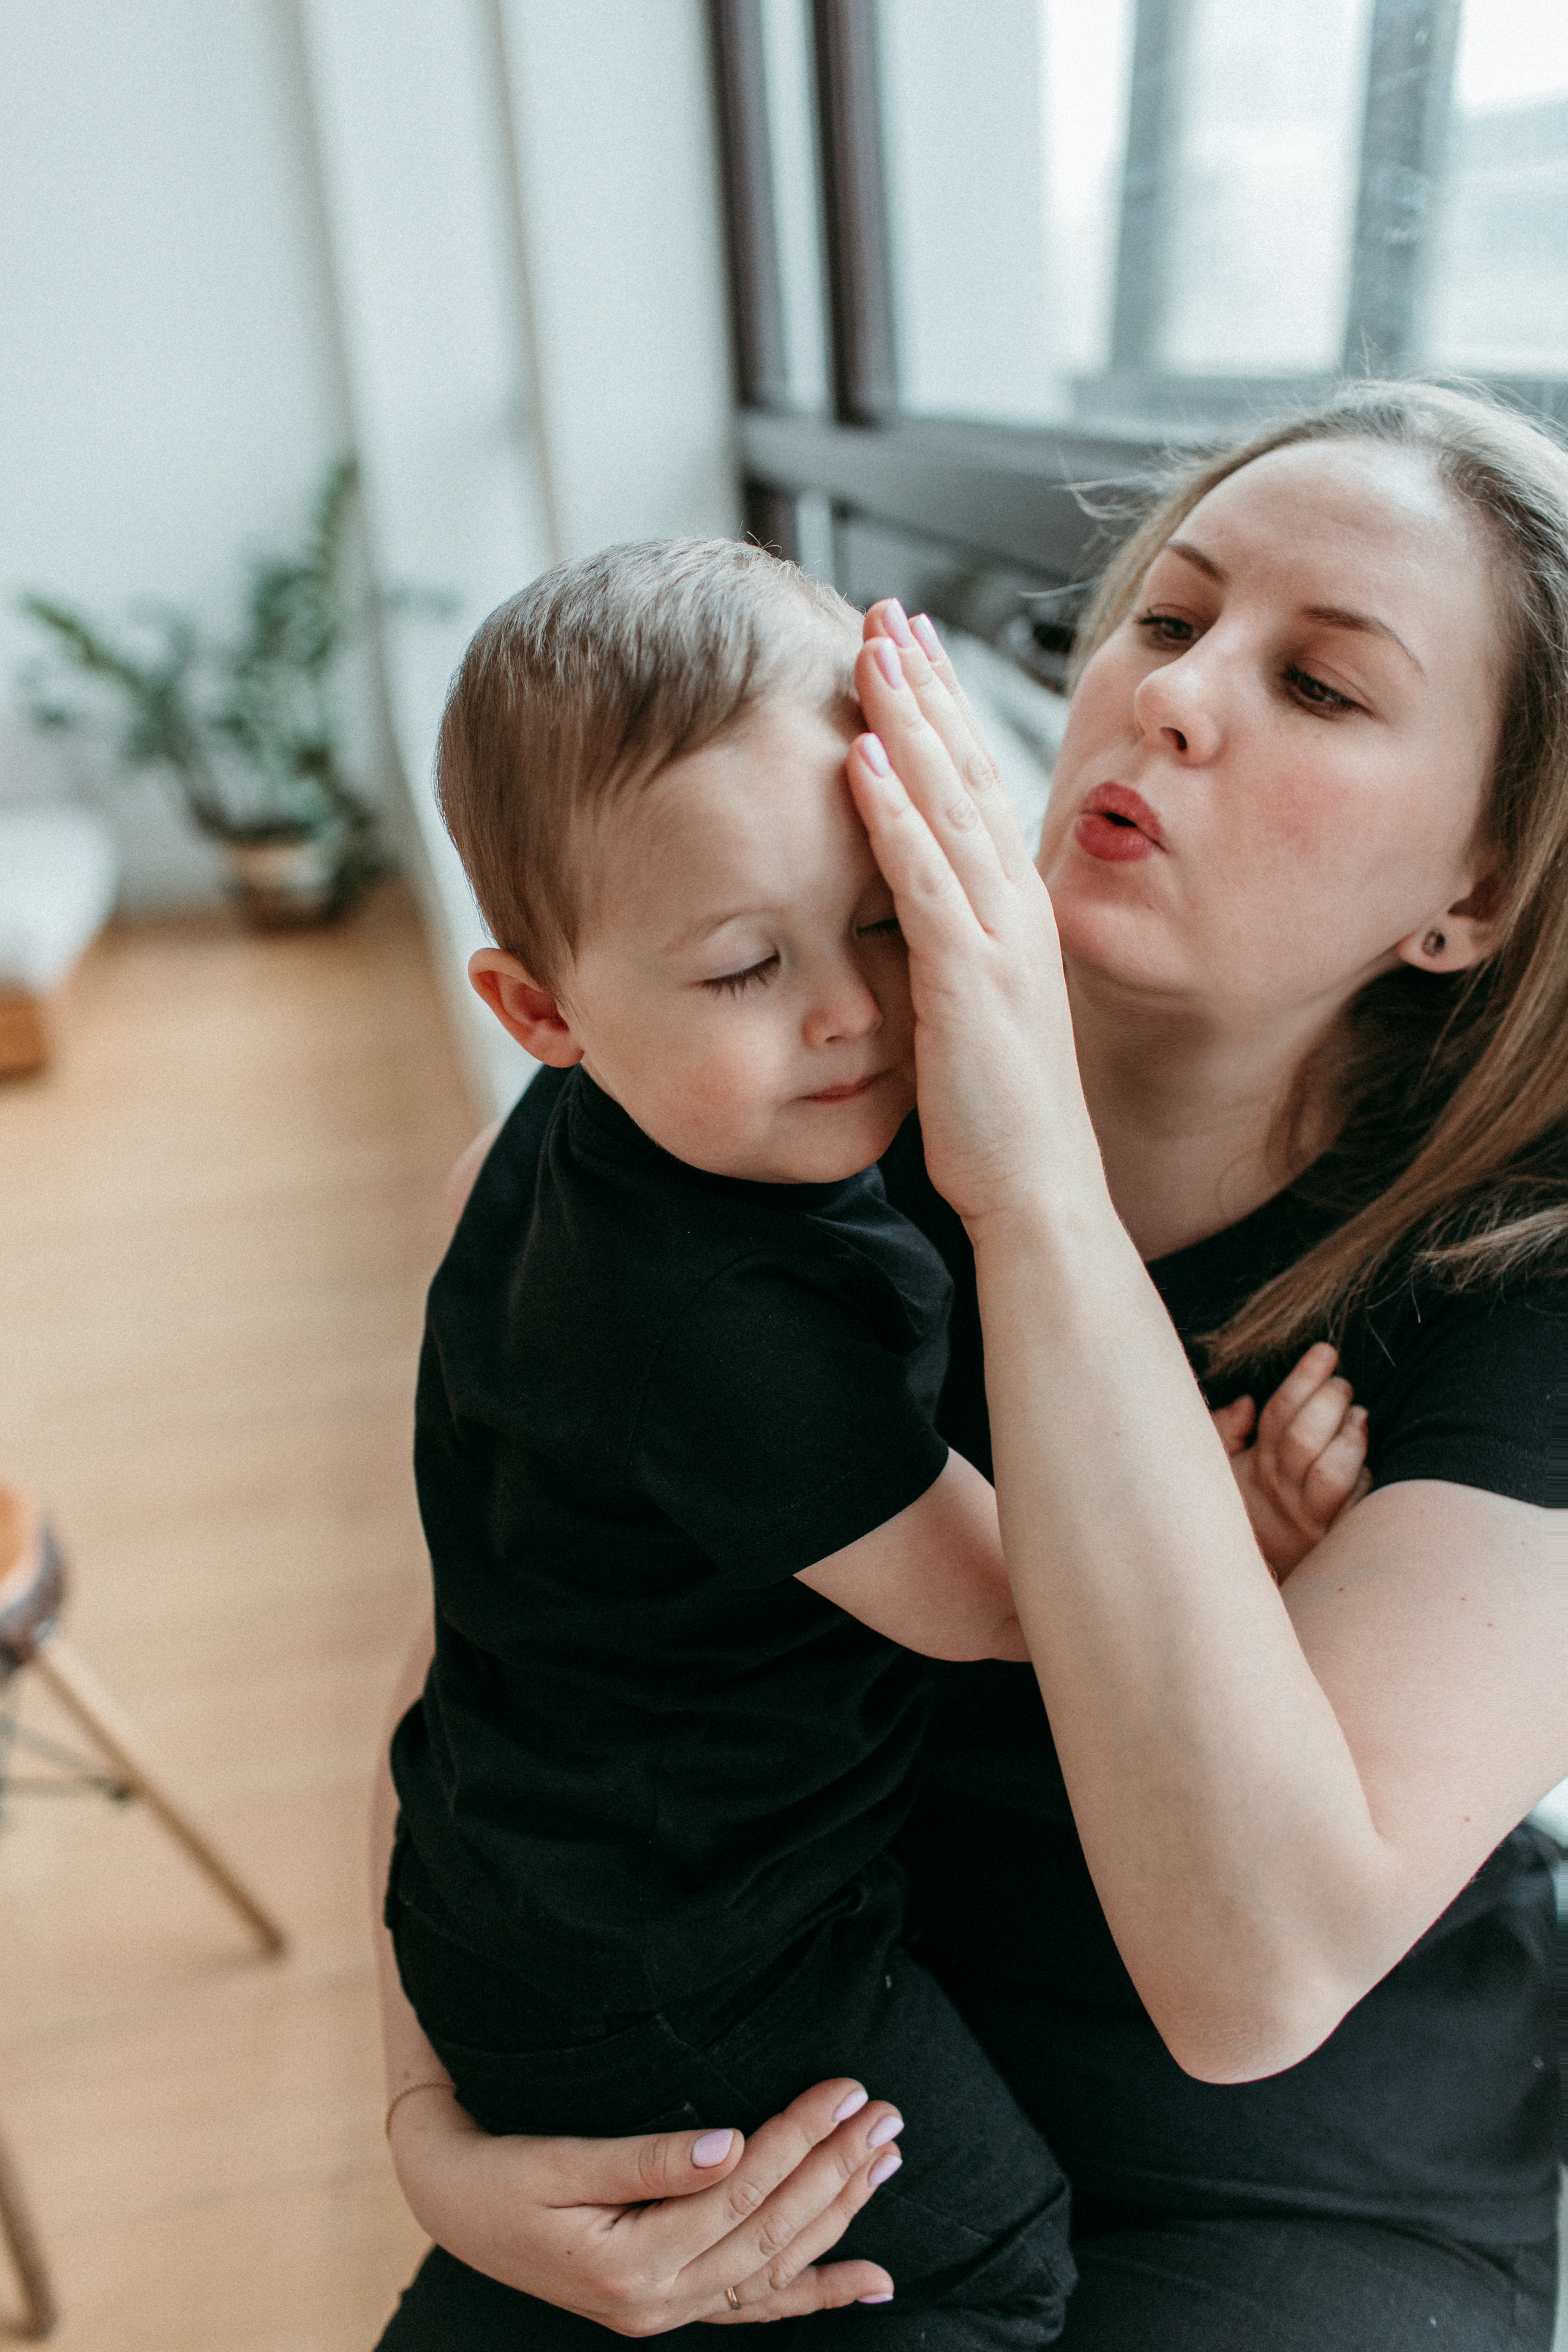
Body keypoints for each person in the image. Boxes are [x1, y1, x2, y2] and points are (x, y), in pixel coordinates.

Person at [374, 382, 1567, 2351]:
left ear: (1479, 896)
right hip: (769, 2020)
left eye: (1326, 689)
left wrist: (1030, 1186)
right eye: (1169, 622)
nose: (1177, 697)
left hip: (1271, 2145)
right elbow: (498, 1688)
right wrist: (443, 2135)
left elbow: (1247, 1981)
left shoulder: (1518, 1279)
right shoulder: (739, 1088)